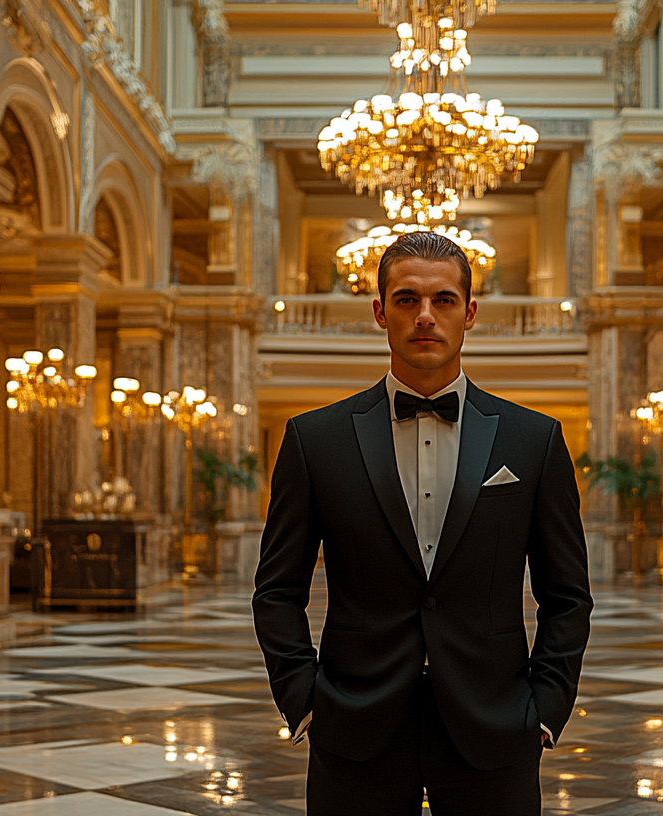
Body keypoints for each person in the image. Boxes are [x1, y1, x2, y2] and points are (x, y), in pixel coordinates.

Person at [252, 231, 593, 815]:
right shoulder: (316, 440)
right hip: (354, 726)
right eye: (407, 300)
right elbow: (277, 589)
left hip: (497, 726)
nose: (426, 317)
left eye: (444, 301)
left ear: (470, 313)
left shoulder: (533, 440)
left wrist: (546, 708)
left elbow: (567, 596)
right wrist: (304, 700)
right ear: (381, 312)